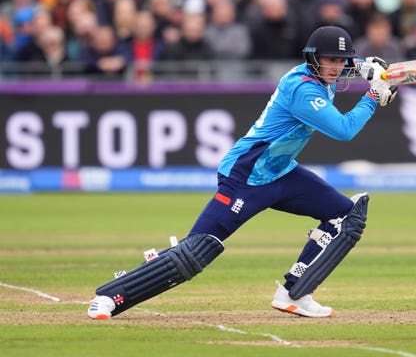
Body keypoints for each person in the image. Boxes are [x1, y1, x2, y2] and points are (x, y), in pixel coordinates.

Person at [87, 25, 397, 320]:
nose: (337, 67)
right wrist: (372, 96)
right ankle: (111, 296)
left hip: (280, 172)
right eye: (330, 60)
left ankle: (295, 292)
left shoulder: (325, 72)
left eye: (342, 61)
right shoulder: (302, 88)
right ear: (312, 59)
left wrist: (365, 66)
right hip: (246, 177)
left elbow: (342, 62)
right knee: (197, 250)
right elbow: (344, 131)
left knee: (346, 216)